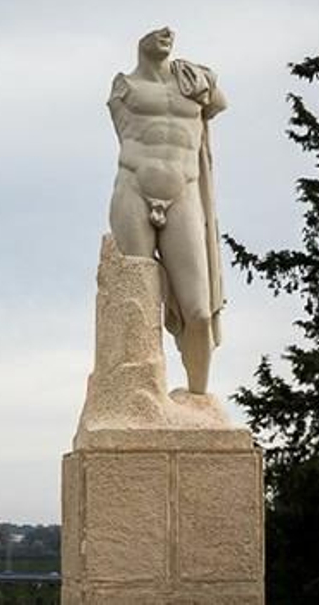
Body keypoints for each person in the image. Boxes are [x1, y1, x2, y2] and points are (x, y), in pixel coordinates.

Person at [108, 26, 227, 395]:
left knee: (199, 310)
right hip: (134, 189)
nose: (166, 32)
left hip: (185, 192)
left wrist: (202, 79)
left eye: (169, 32)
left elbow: (219, 103)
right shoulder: (124, 87)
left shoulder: (192, 81)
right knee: (138, 303)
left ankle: (197, 398)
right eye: (154, 31)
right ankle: (139, 391)